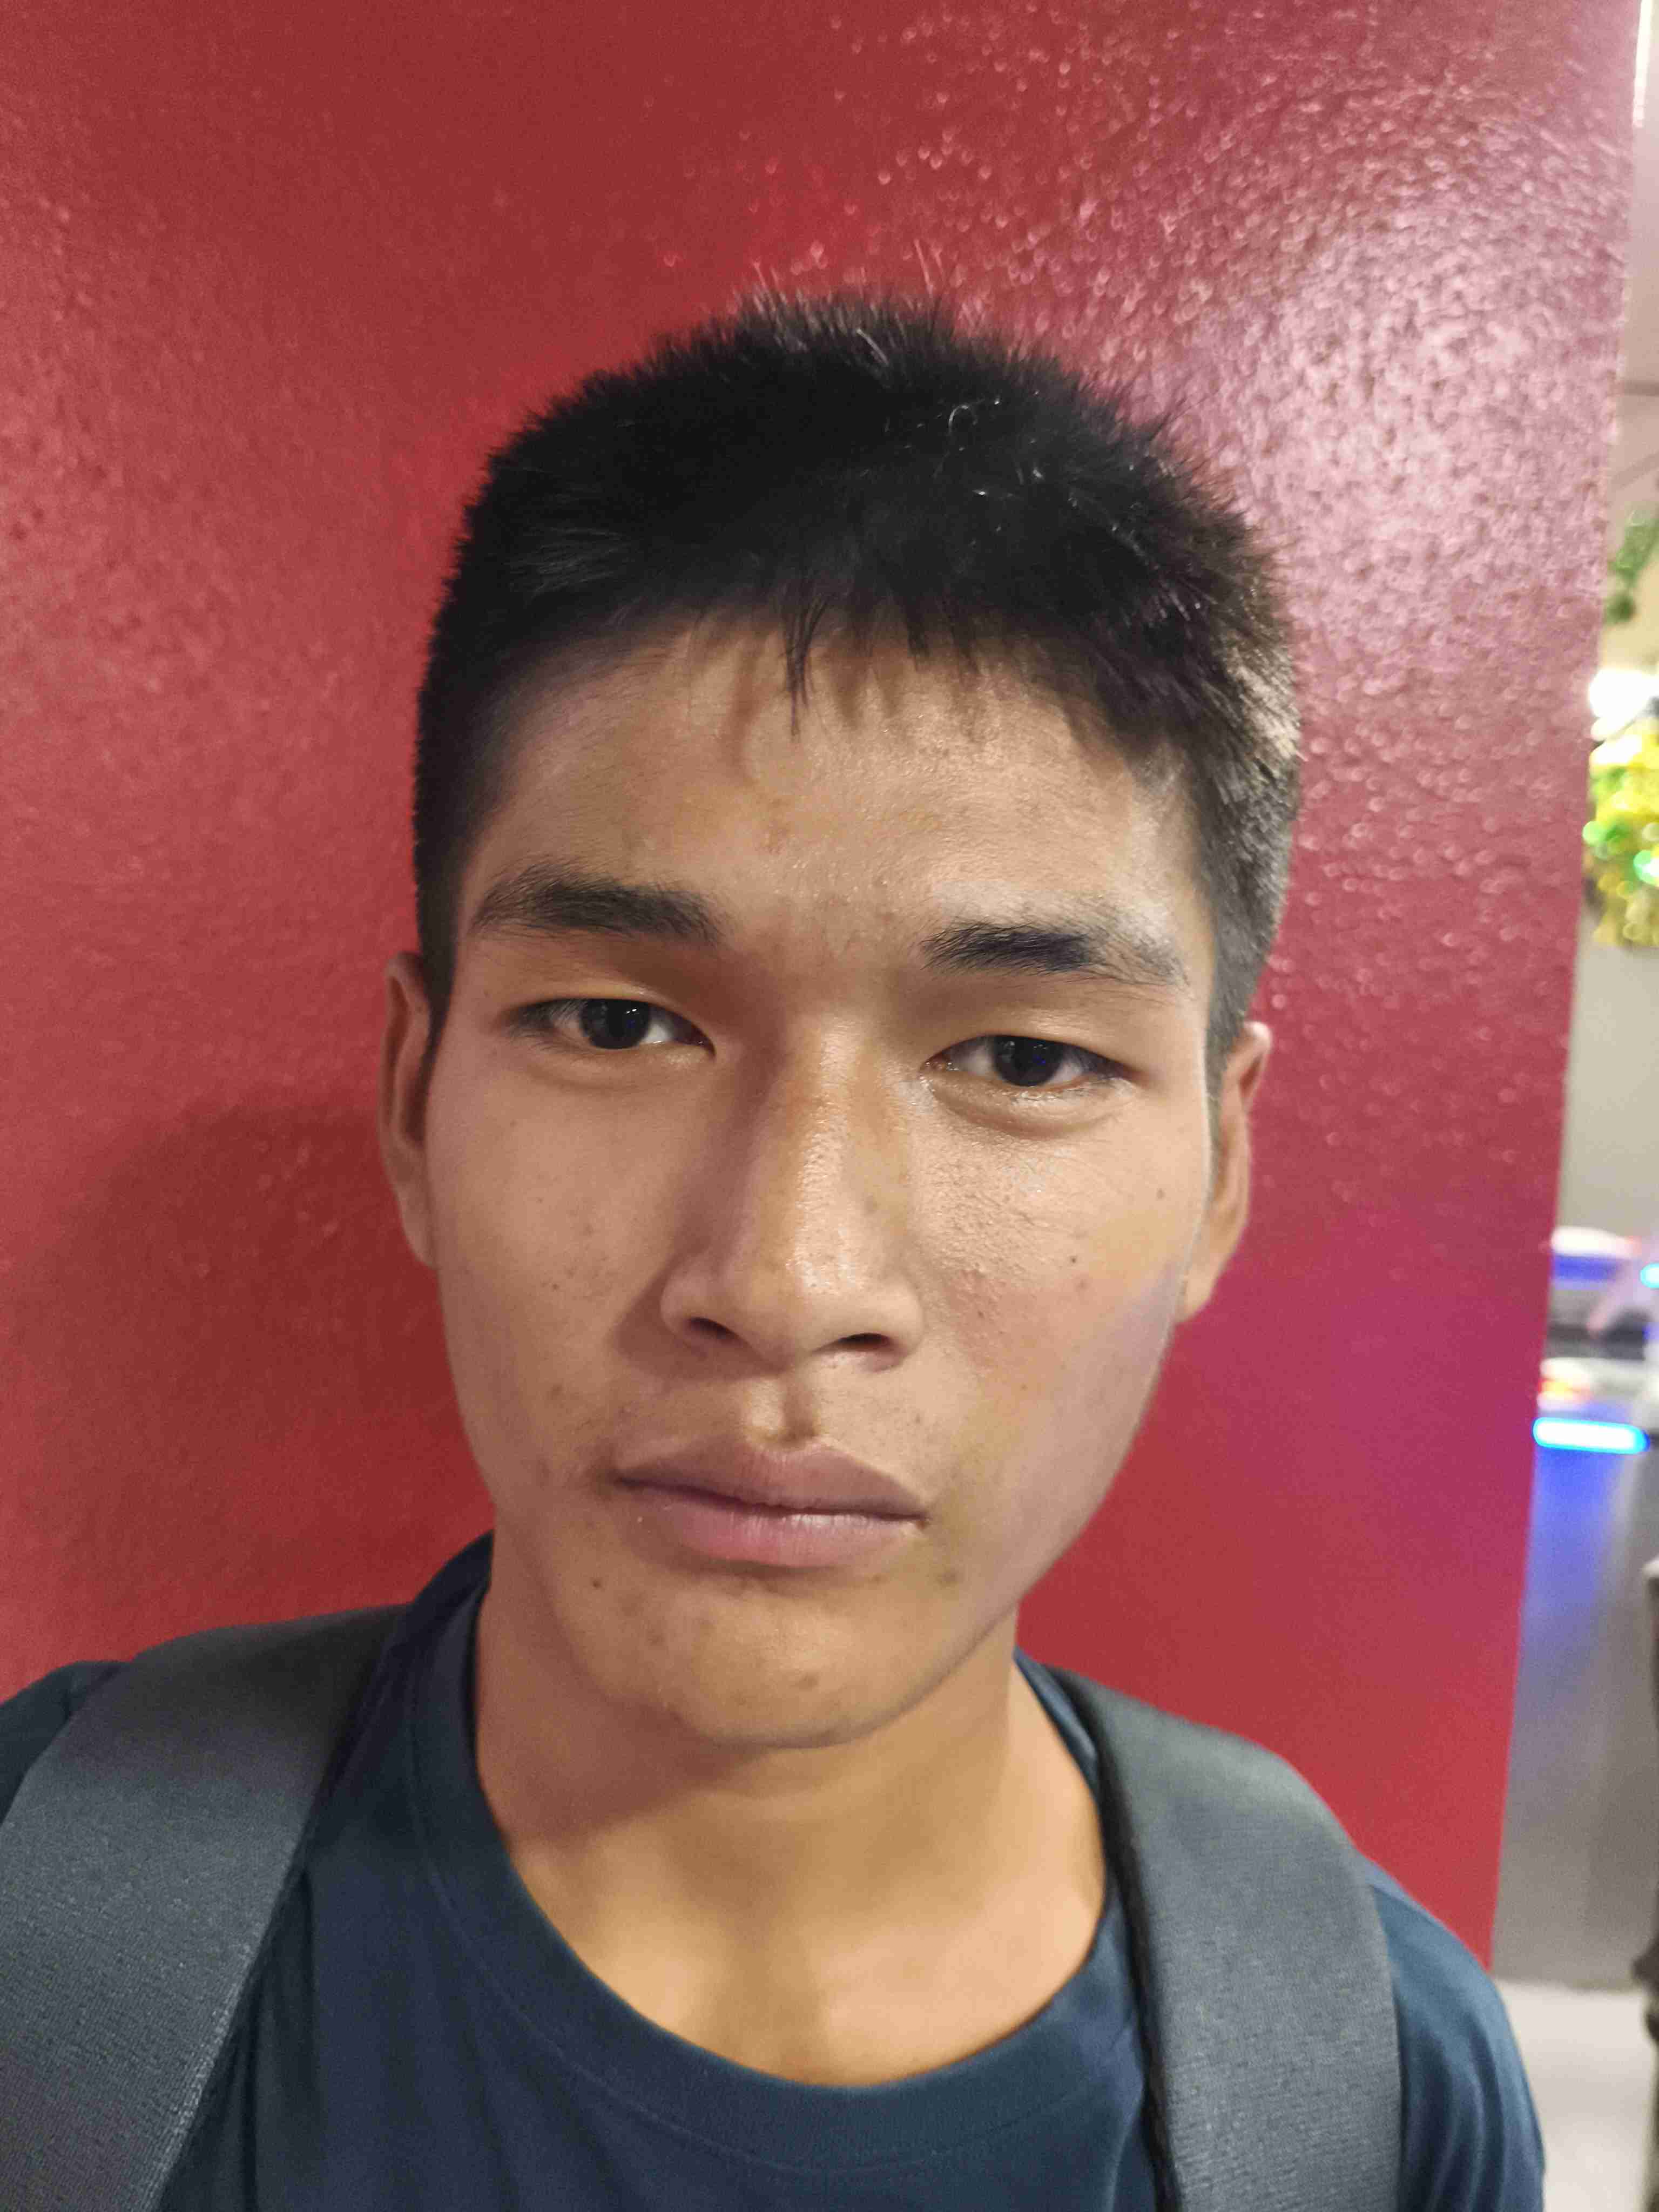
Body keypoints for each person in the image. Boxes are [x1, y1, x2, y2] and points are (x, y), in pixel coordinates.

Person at [0, 292, 1543, 2207]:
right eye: (619, 1024)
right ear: (412, 1103)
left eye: (1022, 1059)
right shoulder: (42, 1918)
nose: (788, 1281)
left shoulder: (1380, 2091)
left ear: (1220, 1170)